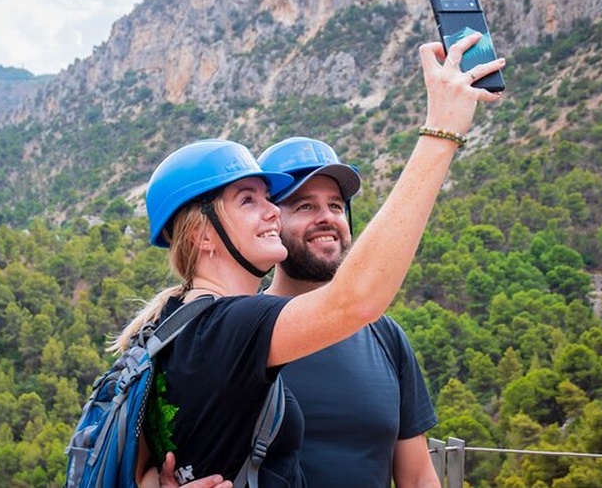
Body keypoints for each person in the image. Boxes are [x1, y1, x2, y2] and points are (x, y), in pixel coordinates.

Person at [113, 32, 504, 487]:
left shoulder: (177, 325)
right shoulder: (232, 325)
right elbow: (355, 299)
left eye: (336, 205)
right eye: (251, 201)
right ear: (202, 233)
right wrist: (442, 130)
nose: (272, 212)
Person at [257, 136, 440, 488]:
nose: (327, 218)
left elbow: (417, 476)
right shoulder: (246, 328)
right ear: (270, 222)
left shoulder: (385, 335)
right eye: (305, 206)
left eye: (336, 206)